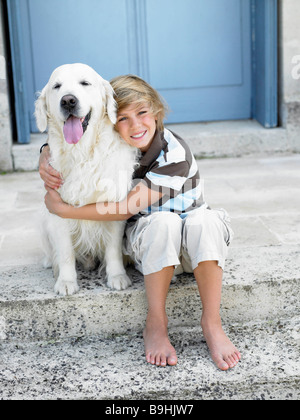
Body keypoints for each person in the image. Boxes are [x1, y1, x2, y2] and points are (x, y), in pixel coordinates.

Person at [39, 74, 241, 370]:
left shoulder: (175, 154)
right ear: (110, 120)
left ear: (157, 113)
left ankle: (212, 324)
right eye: (123, 118)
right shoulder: (119, 148)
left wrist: (64, 210)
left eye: (143, 113)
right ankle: (156, 324)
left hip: (197, 252)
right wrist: (44, 153)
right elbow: (73, 144)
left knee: (204, 220)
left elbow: (125, 208)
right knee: (162, 223)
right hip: (155, 249)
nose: (135, 126)